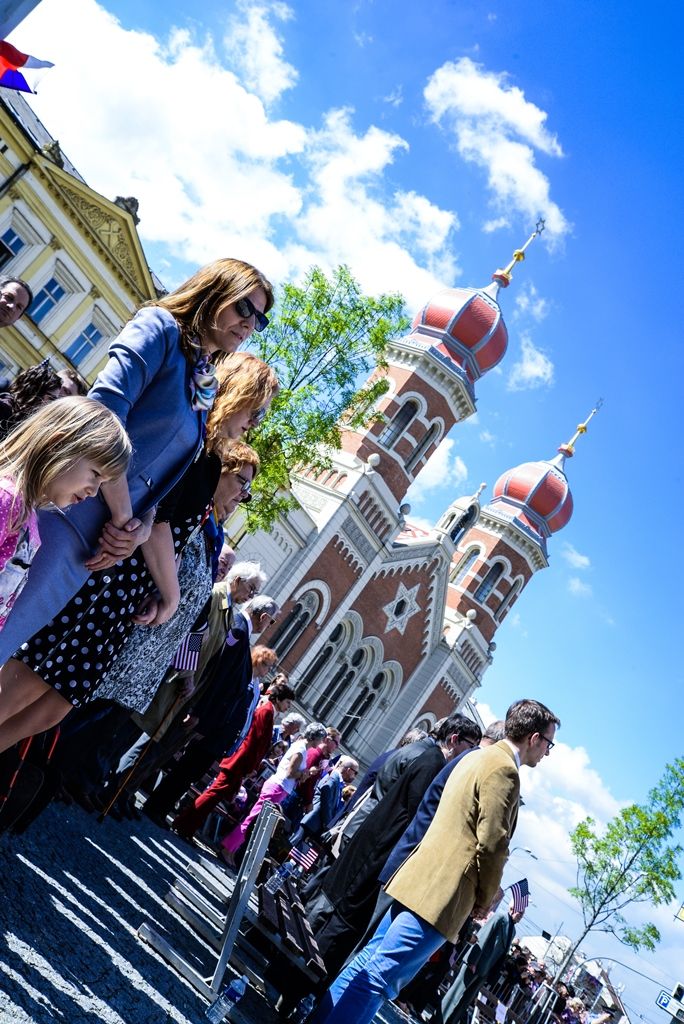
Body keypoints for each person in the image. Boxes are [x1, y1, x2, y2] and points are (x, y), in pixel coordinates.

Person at [0, 258, 273, 749]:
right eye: (244, 308)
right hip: (63, 520)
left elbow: (169, 481)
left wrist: (140, 526)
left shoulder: (203, 380)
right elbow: (105, 410)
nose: (250, 323)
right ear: (214, 292)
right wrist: (128, 519)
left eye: (260, 318)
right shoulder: (160, 327)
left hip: (97, 552)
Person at [310, 698, 561, 1024]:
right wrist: (485, 899)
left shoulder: (476, 756)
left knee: (368, 963)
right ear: (534, 738)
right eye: (549, 744)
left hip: (416, 879)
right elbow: (492, 844)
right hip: (441, 896)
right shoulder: (505, 771)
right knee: (380, 978)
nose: (548, 753)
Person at [0, 397, 130, 634]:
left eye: (102, 483)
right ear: (57, 444)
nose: (94, 491)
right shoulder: (7, 501)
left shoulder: (28, 517)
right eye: (95, 473)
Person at [171, 676, 296, 840]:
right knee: (213, 794)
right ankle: (183, 824)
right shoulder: (266, 711)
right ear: (278, 699)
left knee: (214, 796)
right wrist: (250, 767)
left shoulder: (269, 711)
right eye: (287, 702)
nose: (288, 707)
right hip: (240, 761)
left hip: (241, 762)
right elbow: (253, 742)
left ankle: (187, 827)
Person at [221, 720, 328, 864]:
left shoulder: (301, 747)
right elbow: (290, 773)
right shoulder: (301, 750)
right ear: (315, 737)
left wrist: (305, 774)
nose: (321, 742)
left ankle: (231, 849)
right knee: (252, 820)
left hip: (279, 788)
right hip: (277, 788)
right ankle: (228, 849)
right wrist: (305, 774)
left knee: (254, 821)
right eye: (321, 739)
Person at [437, 898, 524, 1024]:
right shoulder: (500, 917)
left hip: (485, 970)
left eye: (522, 914)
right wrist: (473, 961)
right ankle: (438, 1020)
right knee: (456, 994)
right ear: (512, 908)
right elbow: (483, 937)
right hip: (476, 963)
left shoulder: (513, 930)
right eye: (520, 912)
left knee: (465, 1001)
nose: (521, 916)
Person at [289, 756, 359, 847]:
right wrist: (328, 823)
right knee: (292, 845)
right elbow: (326, 799)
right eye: (355, 773)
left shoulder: (337, 780)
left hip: (315, 824)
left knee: (295, 848)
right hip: (311, 822)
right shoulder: (334, 778)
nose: (355, 777)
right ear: (349, 770)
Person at [0, 359, 63, 439]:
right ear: (36, 391)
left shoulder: (25, 421)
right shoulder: (4, 407)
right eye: (51, 399)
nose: (51, 405)